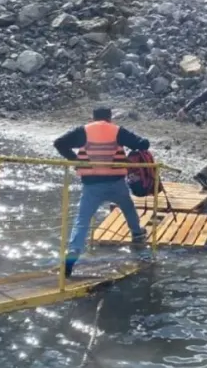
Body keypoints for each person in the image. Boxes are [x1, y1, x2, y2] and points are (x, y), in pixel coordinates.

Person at [53, 107, 151, 277]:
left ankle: (73, 253)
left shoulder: (84, 130)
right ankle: (137, 235)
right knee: (127, 208)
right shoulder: (117, 131)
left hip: (91, 185)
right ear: (110, 118)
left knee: (82, 220)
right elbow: (143, 144)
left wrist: (75, 160)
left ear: (93, 117)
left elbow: (59, 143)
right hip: (115, 182)